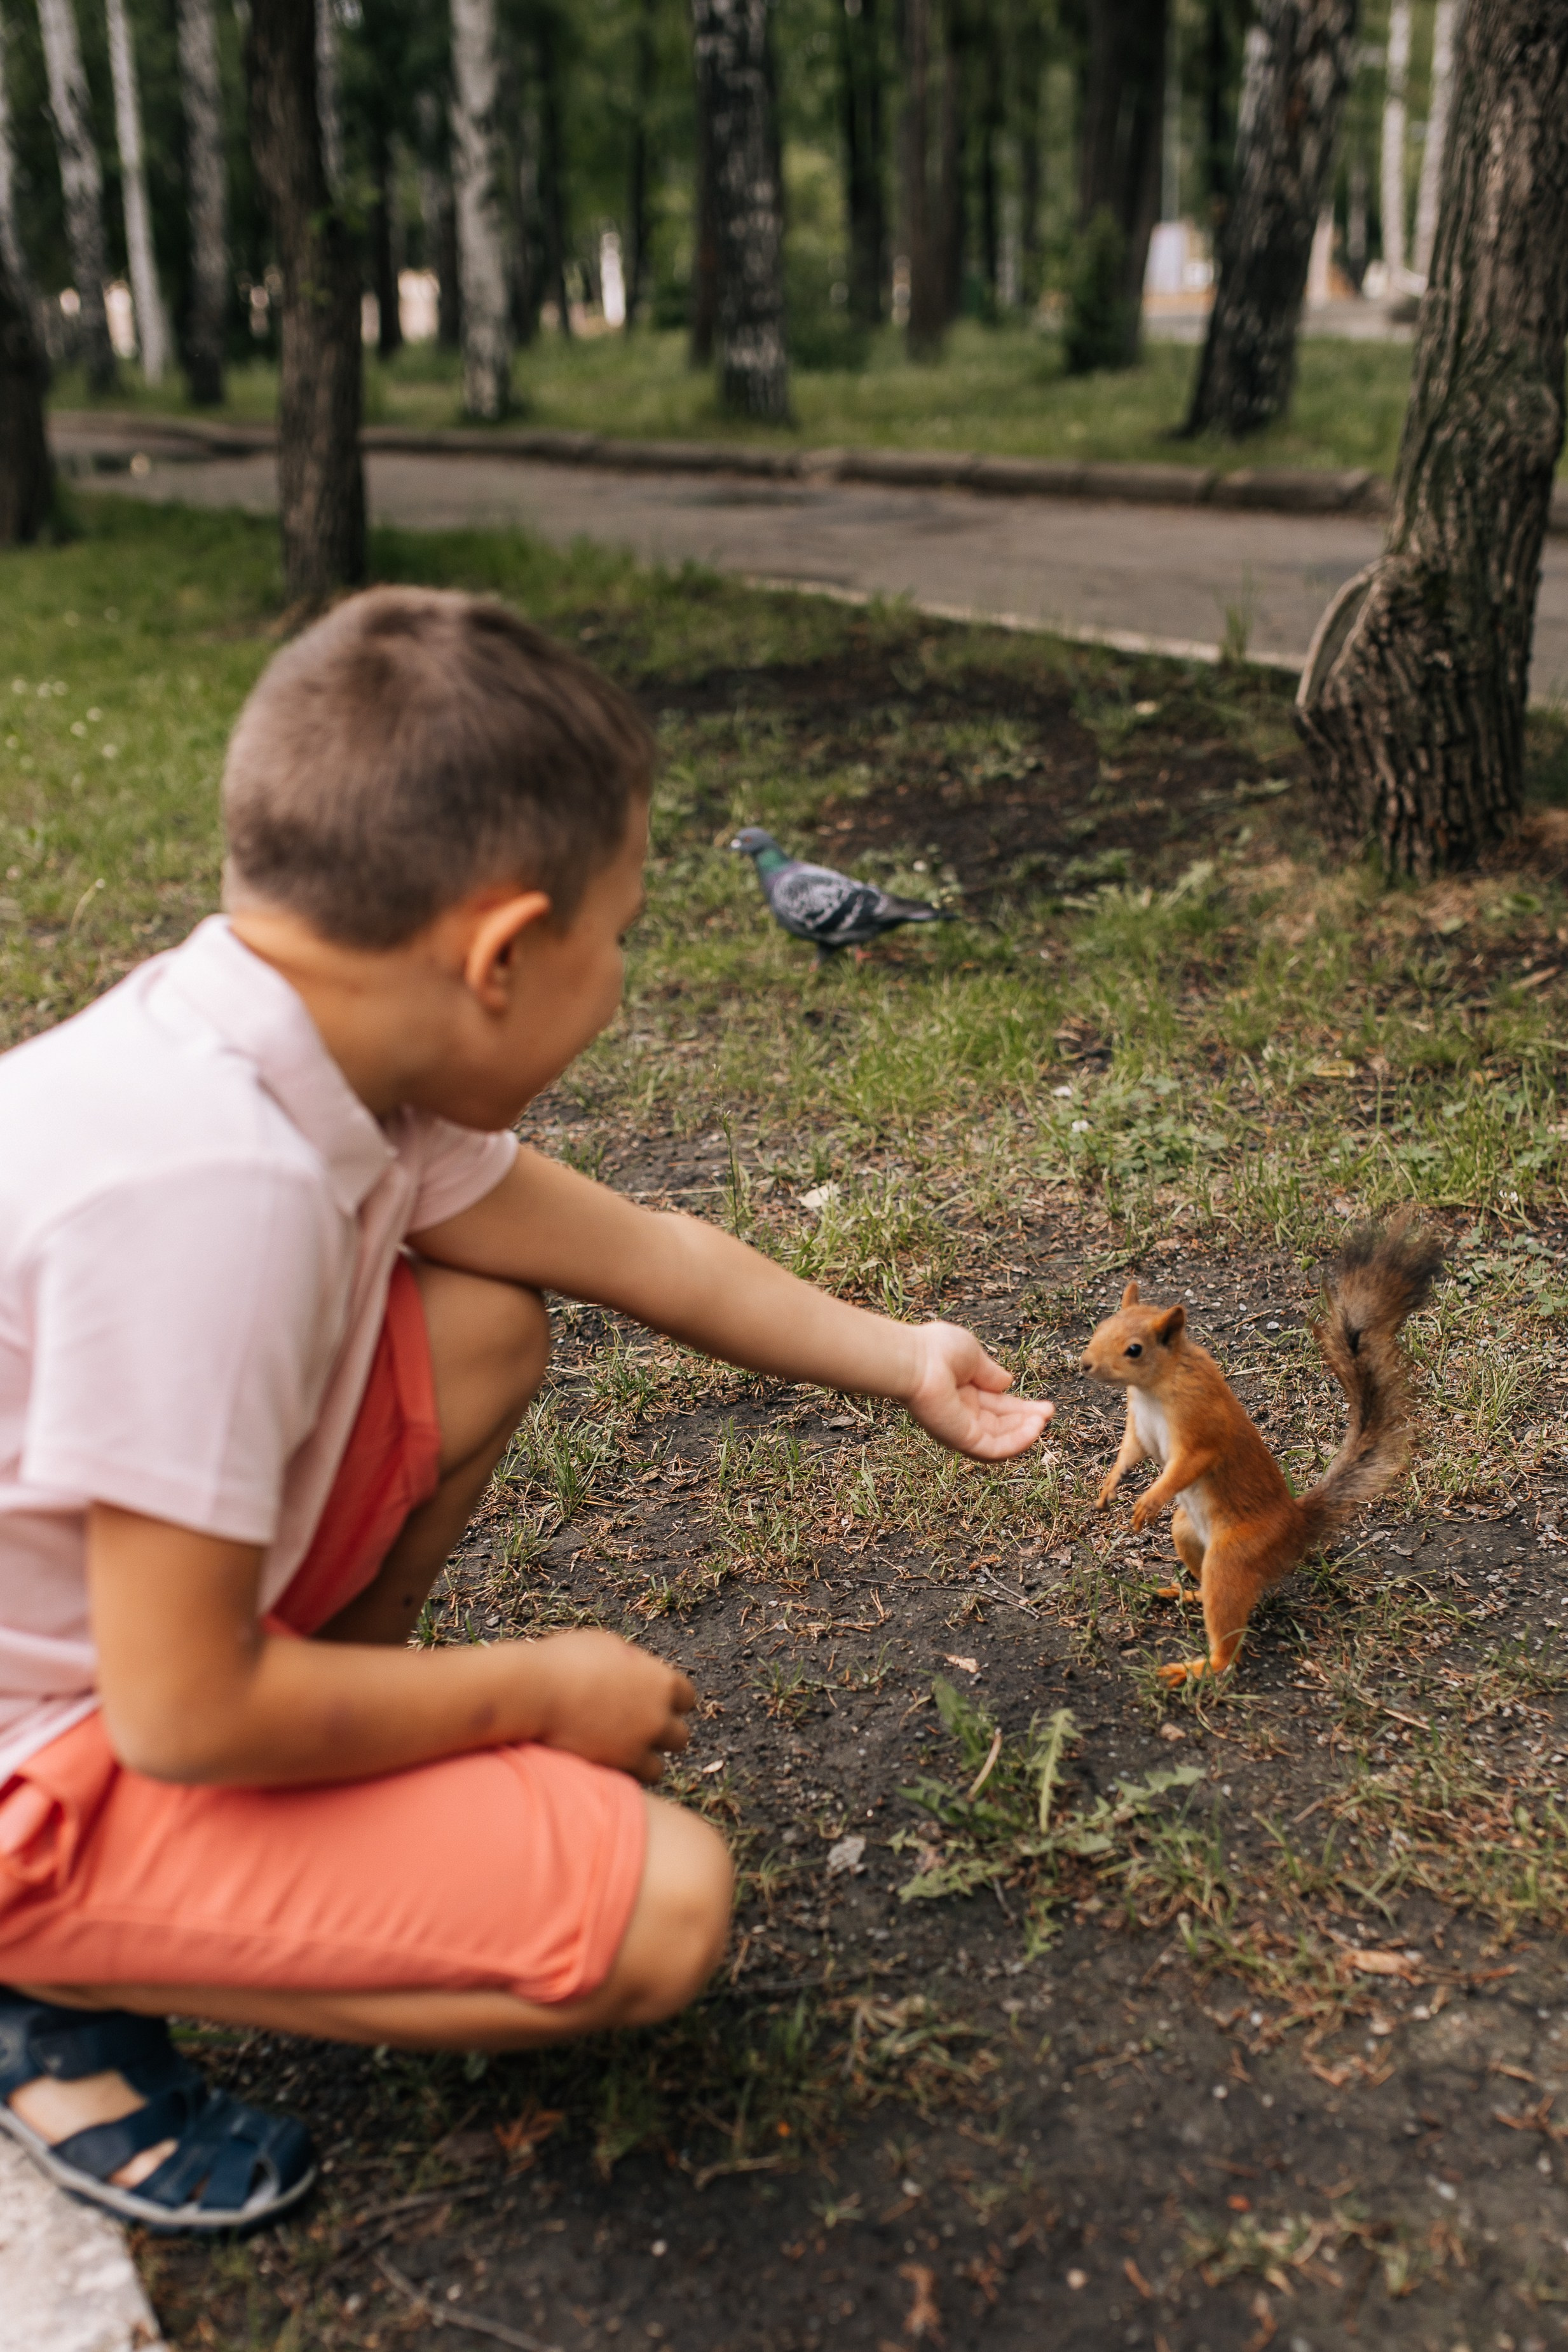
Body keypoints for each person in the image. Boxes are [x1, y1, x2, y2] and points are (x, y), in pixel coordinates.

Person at [0, 589, 1053, 2232]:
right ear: (499, 954)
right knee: (659, 1910)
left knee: (476, 1326)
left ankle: (308, 1762)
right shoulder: (216, 1195)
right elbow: (184, 1709)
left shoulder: (308, 1049)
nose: (625, 974)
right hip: (68, 1736)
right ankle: (40, 1972)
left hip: (94, 1640)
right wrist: (532, 1691)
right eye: (619, 933)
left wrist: (904, 1350)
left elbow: (649, 1253)